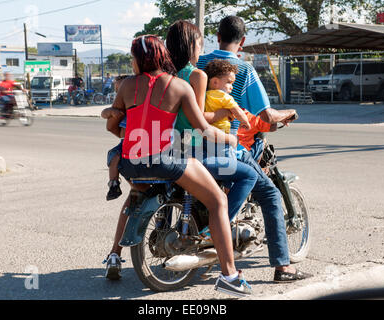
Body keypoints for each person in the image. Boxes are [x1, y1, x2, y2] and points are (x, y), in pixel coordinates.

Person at [106, 34, 252, 297]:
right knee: (217, 199)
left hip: (130, 162)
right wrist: (230, 137)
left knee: (135, 196)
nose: (132, 63)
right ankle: (229, 275)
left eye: (133, 58)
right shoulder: (179, 86)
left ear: (140, 60)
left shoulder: (126, 86)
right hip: (165, 160)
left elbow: (114, 125)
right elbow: (203, 129)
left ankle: (115, 254)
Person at [197, 15, 312, 283]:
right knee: (270, 195)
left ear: (217, 36)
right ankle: (283, 267)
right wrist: (289, 113)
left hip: (193, 143)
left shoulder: (199, 64)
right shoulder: (243, 70)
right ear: (243, 41)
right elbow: (268, 116)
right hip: (227, 145)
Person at [166, 20, 259, 228]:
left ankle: (165, 227)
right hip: (192, 148)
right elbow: (198, 120)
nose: (201, 52)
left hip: (165, 146)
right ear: (191, 46)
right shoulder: (197, 75)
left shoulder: (165, 76)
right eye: (200, 46)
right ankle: (217, 229)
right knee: (249, 175)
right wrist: (229, 136)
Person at [101, 76, 129, 201]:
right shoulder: (117, 107)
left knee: (116, 157)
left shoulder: (133, 104)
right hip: (125, 141)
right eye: (117, 89)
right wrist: (110, 112)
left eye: (121, 89)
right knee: (114, 157)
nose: (119, 92)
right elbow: (104, 114)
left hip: (135, 141)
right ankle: (113, 184)